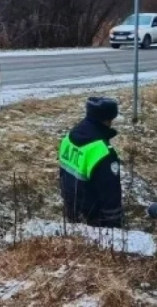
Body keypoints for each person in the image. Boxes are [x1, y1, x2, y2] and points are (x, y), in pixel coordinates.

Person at [58, 97, 124, 228]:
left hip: (72, 210)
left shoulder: (69, 138)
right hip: (94, 218)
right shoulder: (102, 152)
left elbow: (63, 173)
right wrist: (114, 226)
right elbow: (110, 193)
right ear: (108, 119)